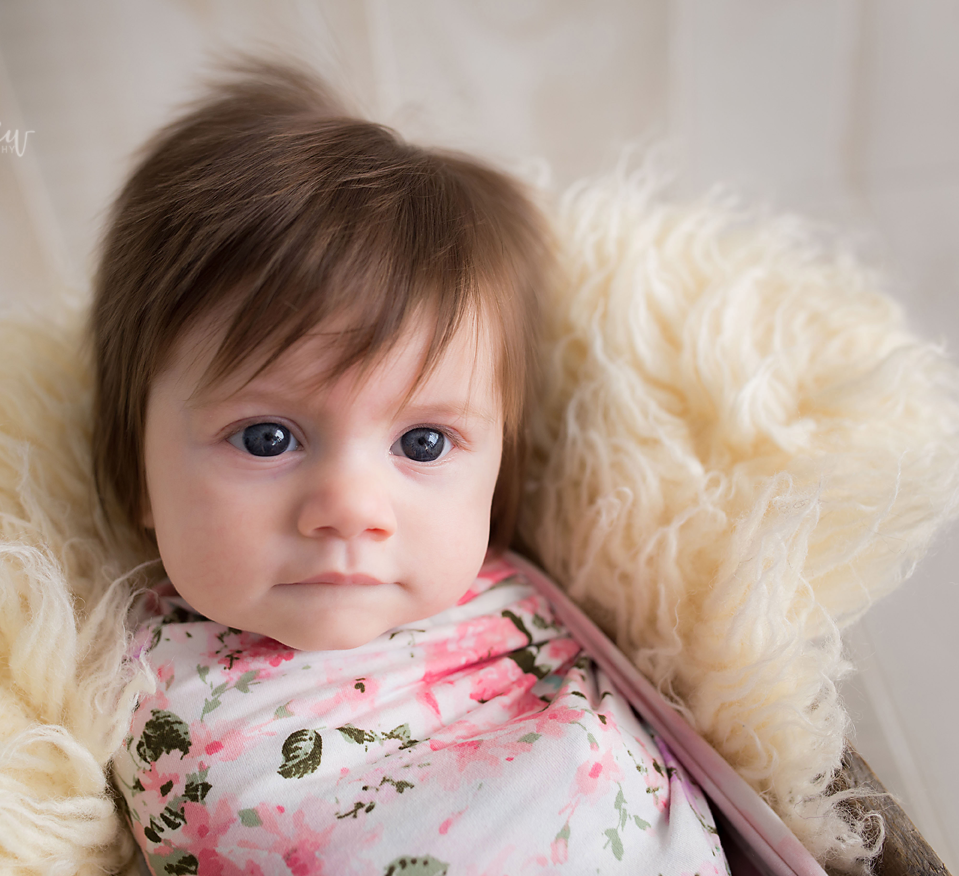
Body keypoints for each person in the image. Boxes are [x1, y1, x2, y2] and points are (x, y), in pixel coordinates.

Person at [91, 62, 727, 875]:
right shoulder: (115, 685)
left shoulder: (549, 607)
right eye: (265, 438)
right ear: (136, 470)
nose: (351, 508)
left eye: (423, 444)